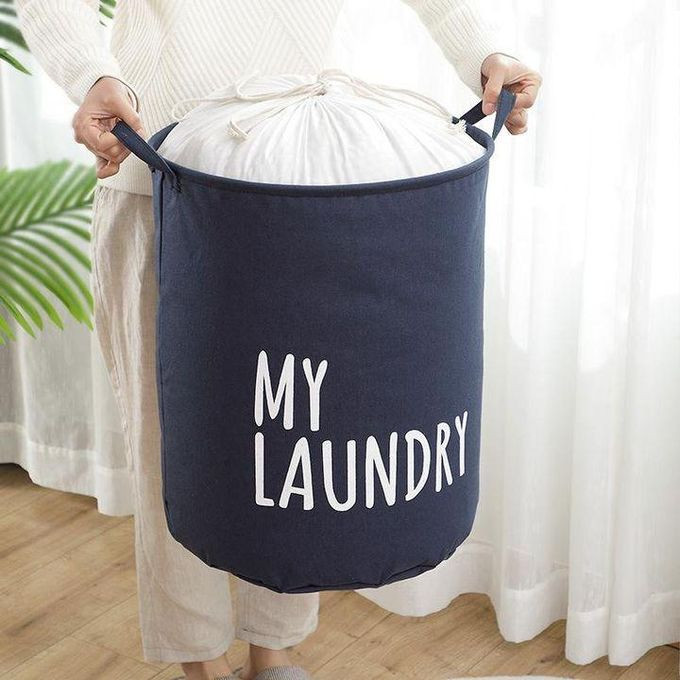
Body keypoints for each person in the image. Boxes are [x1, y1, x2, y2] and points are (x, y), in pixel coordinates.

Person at [16, 2, 541, 679]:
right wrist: (90, 74)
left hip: (295, 183)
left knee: (298, 434)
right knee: (175, 443)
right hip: (163, 180)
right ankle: (200, 660)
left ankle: (274, 647)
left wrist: (485, 52)